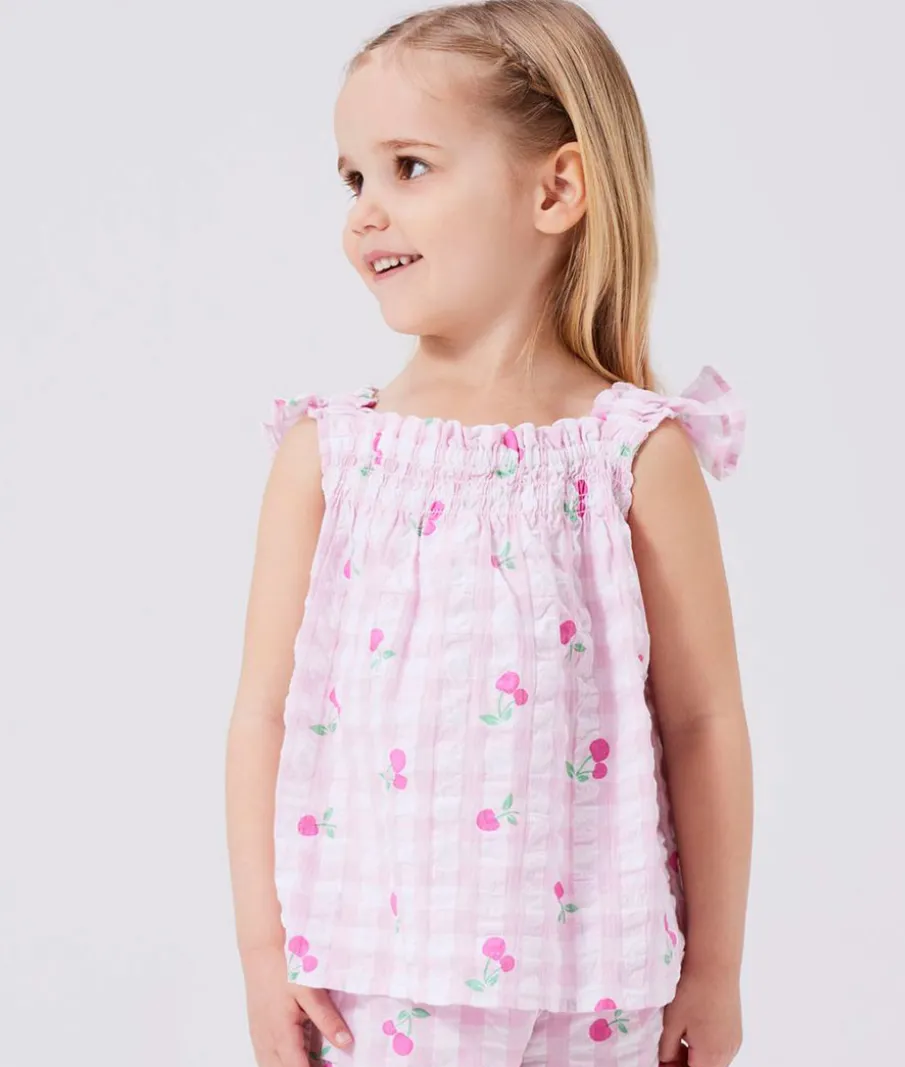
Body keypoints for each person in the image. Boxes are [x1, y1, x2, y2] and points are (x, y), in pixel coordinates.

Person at [226, 2, 752, 1065]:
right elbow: (263, 717)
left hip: (602, 987)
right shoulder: (331, 457)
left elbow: (701, 721)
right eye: (353, 178)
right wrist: (262, 952)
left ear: (555, 189)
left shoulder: (635, 455)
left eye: (409, 166)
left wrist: (715, 967)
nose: (365, 213)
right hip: (377, 976)